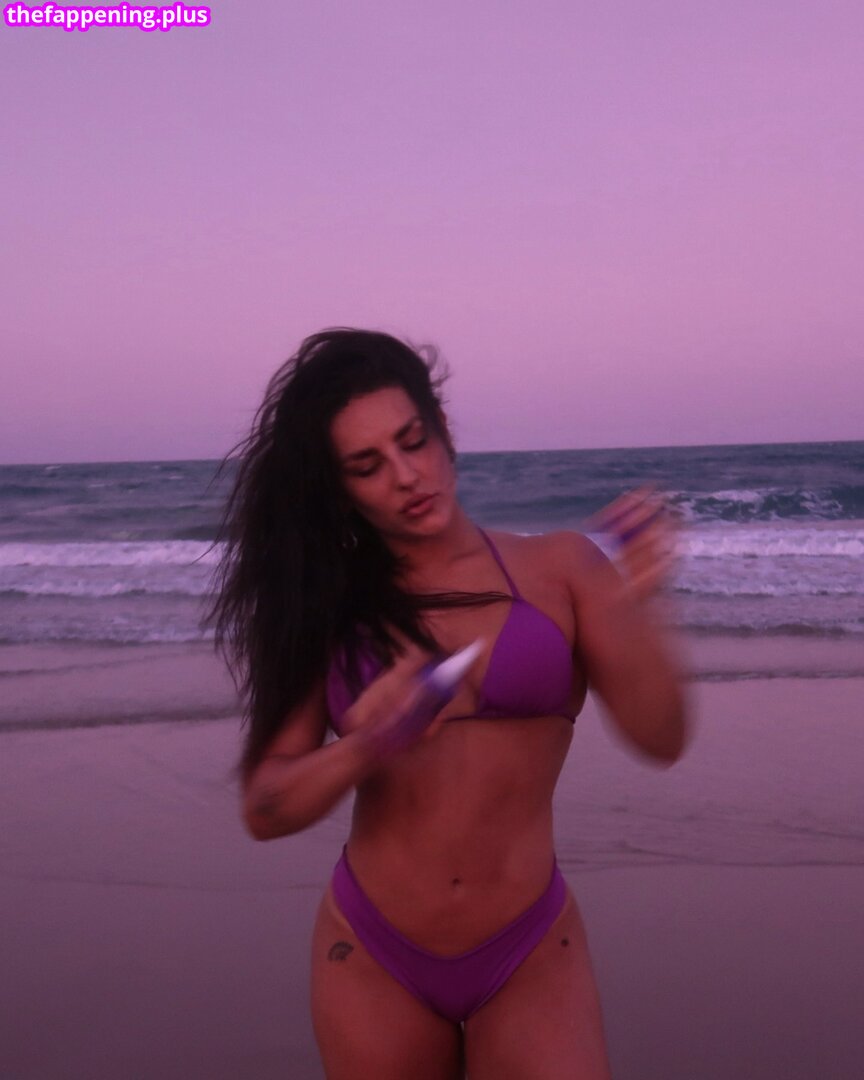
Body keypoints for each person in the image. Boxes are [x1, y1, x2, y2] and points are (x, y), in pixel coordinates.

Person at [206, 328, 689, 1079]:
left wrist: (643, 607)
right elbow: (265, 808)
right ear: (340, 488)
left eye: (413, 441)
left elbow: (662, 739)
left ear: (443, 431)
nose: (406, 475)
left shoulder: (561, 569)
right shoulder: (328, 608)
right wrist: (364, 745)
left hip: (530, 945)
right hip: (373, 951)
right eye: (367, 465)